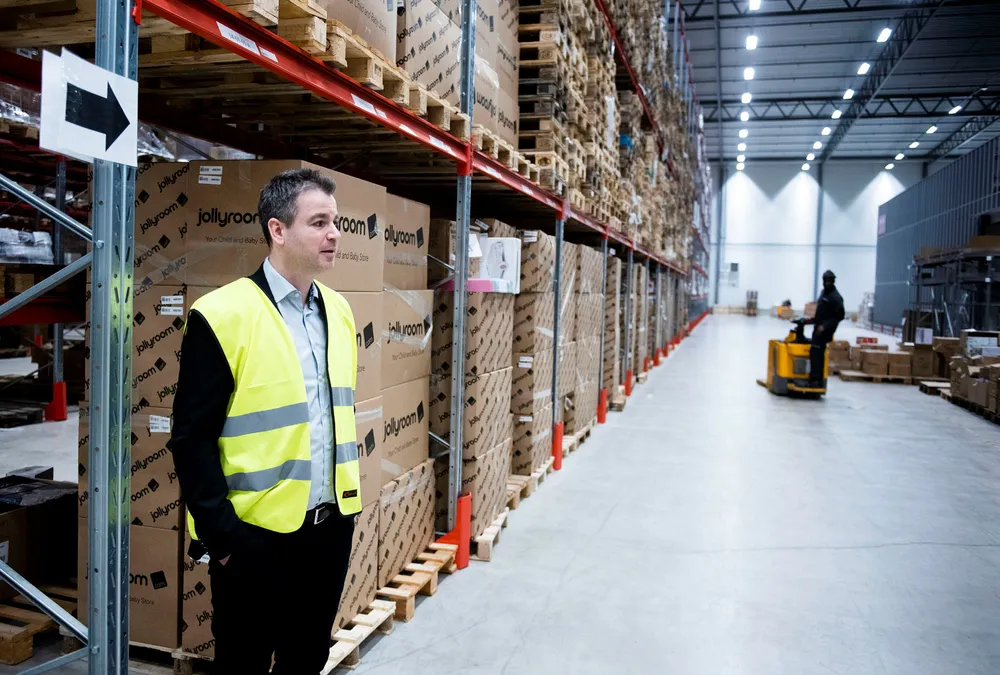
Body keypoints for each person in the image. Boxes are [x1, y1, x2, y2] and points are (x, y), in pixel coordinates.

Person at [168, 168, 361, 674]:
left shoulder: (339, 312)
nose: (334, 234)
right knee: (244, 663)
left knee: (307, 659)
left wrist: (345, 517)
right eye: (319, 223)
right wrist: (223, 538)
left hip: (329, 529)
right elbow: (191, 438)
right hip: (254, 538)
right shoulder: (222, 314)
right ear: (278, 229)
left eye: (336, 222)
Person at [803, 270, 845, 385]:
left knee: (817, 352)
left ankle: (816, 380)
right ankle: (813, 376)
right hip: (818, 327)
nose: (827, 283)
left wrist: (825, 326)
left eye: (829, 281)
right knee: (813, 351)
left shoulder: (836, 297)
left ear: (833, 281)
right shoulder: (823, 293)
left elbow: (840, 316)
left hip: (825, 330)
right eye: (825, 281)